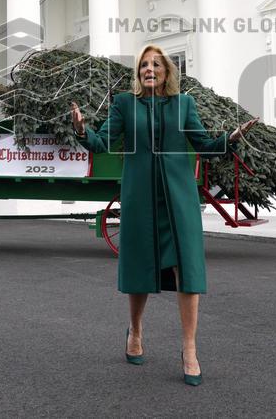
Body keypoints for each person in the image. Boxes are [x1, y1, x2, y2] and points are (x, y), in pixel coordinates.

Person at [70, 44, 257, 386]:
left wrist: (230, 138)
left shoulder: (184, 104)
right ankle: (135, 330)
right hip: (140, 196)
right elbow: (101, 143)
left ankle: (189, 349)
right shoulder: (124, 104)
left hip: (178, 197)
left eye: (156, 64)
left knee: (186, 266)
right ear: (138, 72)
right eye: (144, 64)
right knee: (140, 264)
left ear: (167, 71)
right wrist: (82, 130)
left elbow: (203, 146)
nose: (149, 69)